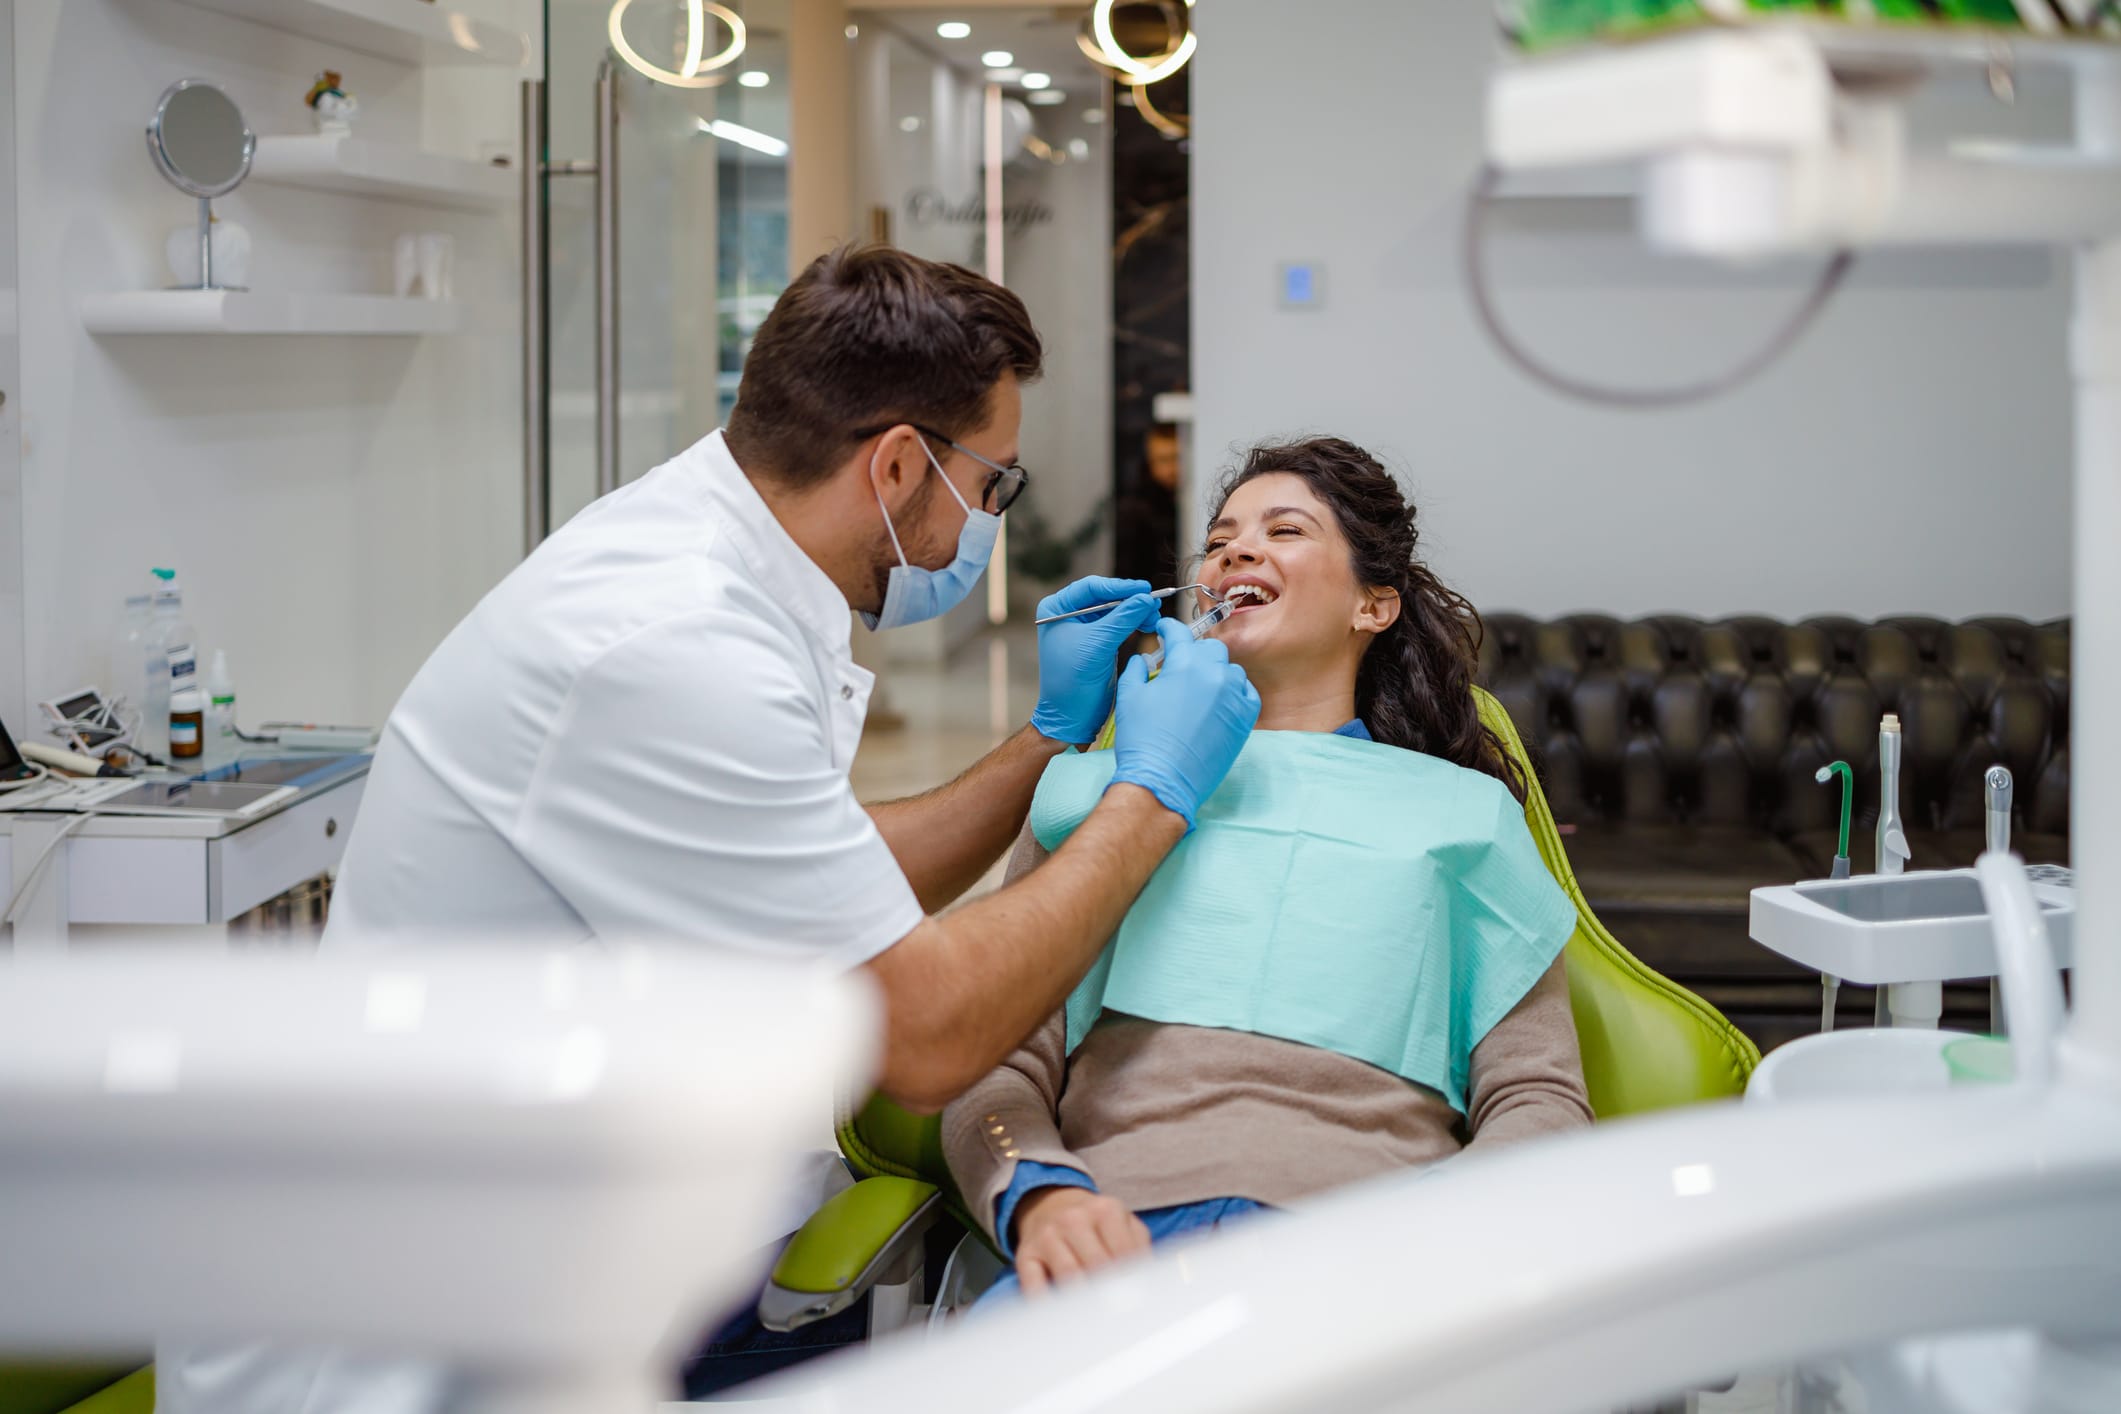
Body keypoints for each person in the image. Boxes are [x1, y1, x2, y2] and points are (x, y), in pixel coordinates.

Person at [159, 246, 1259, 1414]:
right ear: (896, 463)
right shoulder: (669, 642)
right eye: (991, 488)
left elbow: (821, 880)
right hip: (443, 1328)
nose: (985, 525)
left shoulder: (723, 558)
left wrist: (1048, 737)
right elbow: (928, 1033)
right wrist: (1152, 796)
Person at [942, 437, 1593, 1302]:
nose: (1235, 551)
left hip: (1378, 1257)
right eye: (1218, 540)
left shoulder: (1462, 813)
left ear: (1374, 606)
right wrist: (1041, 1195)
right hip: (1112, 1249)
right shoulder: (1093, 794)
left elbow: (1539, 1097)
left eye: (1284, 531)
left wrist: (1442, 1232)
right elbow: (994, 1067)